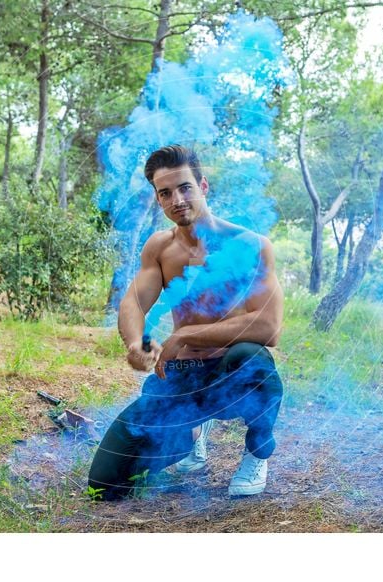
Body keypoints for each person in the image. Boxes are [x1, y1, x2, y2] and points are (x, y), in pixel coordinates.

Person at [87, 144, 284, 500]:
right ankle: (192, 432)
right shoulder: (160, 248)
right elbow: (133, 301)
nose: (177, 199)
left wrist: (187, 334)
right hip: (182, 376)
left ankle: (257, 453)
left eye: (185, 187)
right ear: (158, 199)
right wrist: (135, 343)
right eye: (165, 193)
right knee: (105, 484)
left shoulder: (250, 245)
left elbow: (268, 328)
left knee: (253, 358)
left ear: (203, 186)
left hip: (231, 373)